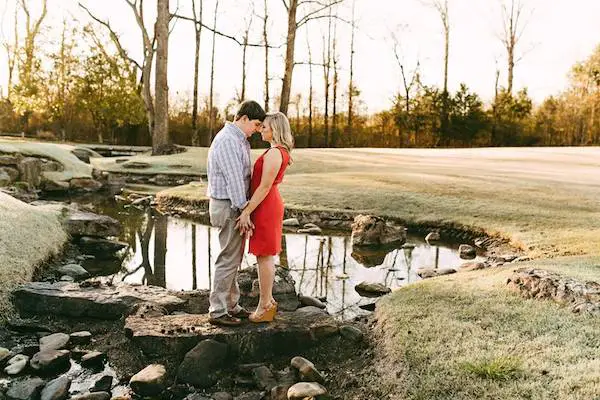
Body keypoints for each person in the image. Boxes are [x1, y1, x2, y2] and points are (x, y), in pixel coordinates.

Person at [206, 100, 266, 326]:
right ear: (243, 119)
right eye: (256, 124)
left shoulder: (238, 139)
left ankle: (231, 304)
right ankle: (218, 311)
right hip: (229, 205)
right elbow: (234, 180)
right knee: (228, 259)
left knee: (233, 257)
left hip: (231, 205)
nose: (257, 130)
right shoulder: (229, 140)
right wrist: (245, 210)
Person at [236, 112, 294, 323]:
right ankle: (267, 302)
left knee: (265, 255)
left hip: (266, 206)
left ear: (275, 129)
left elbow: (265, 186)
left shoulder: (275, 153)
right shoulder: (276, 151)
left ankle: (265, 305)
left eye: (265, 126)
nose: (261, 129)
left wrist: (246, 211)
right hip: (265, 205)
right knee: (263, 255)